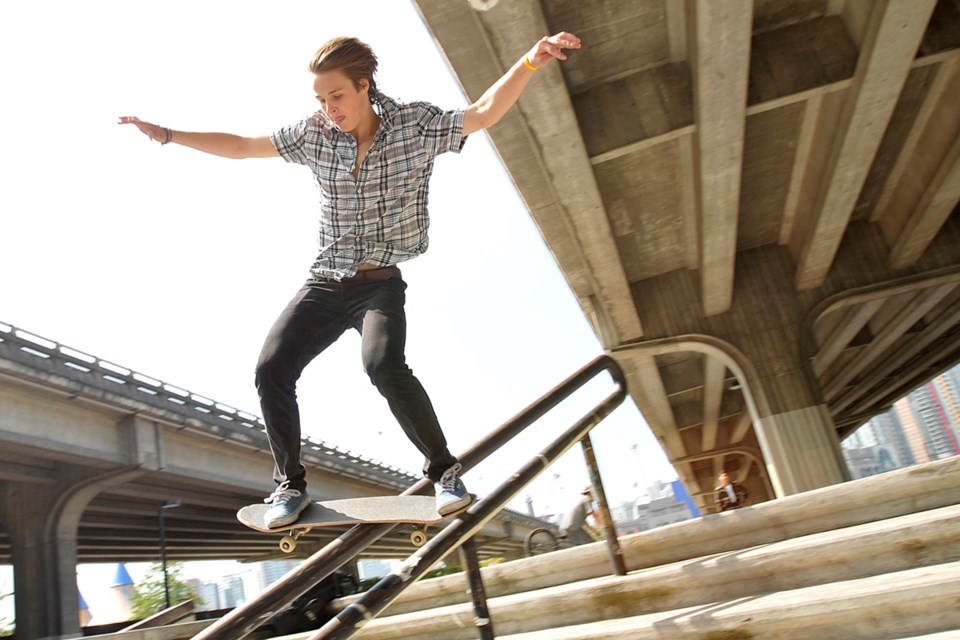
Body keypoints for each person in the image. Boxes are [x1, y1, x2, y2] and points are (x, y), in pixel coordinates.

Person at [119, 32, 582, 528]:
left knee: (383, 366)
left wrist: (531, 59)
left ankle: (445, 473)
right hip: (324, 283)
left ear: (363, 86)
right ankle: (289, 487)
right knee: (271, 369)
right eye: (320, 99)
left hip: (379, 285)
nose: (328, 108)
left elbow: (485, 112)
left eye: (336, 96)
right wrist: (169, 134)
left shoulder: (415, 125)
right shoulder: (314, 135)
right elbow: (243, 146)